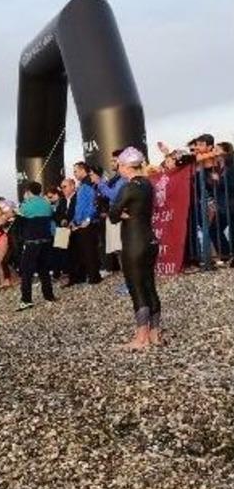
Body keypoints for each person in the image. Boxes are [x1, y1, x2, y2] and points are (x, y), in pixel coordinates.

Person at [109, 147, 161, 350]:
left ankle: (141, 338)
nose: (118, 169)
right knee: (150, 286)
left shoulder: (129, 186)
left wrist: (121, 214)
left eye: (119, 166)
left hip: (134, 241)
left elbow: (113, 214)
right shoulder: (148, 184)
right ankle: (155, 334)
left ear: (125, 166)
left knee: (136, 287)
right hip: (150, 240)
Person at [15, 181, 57, 310]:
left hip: (32, 243)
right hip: (46, 242)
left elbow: (18, 222)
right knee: (44, 270)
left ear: (28, 191)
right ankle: (49, 296)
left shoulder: (26, 205)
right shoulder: (46, 204)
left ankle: (26, 299)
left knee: (26, 272)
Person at [70, 162, 102, 284]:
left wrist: (88, 219)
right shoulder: (82, 185)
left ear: (83, 170)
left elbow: (93, 203)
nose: (74, 174)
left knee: (89, 251)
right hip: (79, 223)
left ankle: (95, 277)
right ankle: (88, 275)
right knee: (83, 252)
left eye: (75, 171)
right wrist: (74, 221)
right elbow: (79, 206)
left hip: (87, 223)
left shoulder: (89, 184)